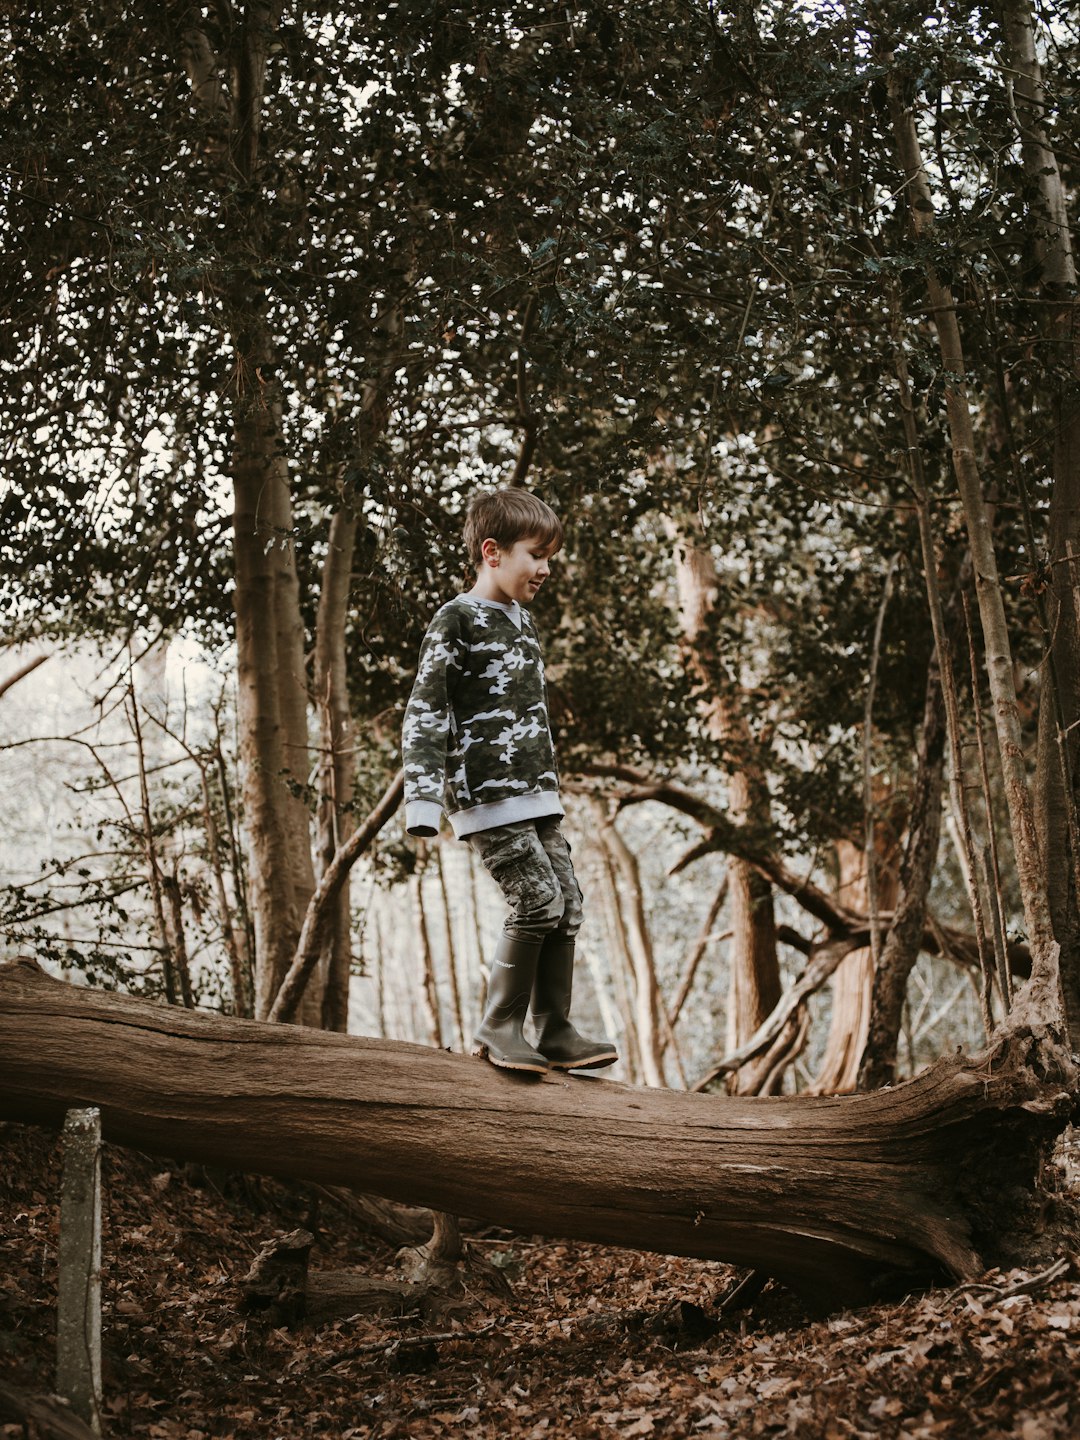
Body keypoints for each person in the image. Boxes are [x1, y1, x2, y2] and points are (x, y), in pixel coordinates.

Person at [401, 487, 617, 1075]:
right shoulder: (457, 619)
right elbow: (427, 709)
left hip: (536, 795)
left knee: (567, 903)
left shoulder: (523, 622)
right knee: (536, 900)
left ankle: (554, 1029)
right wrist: (421, 798)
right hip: (488, 797)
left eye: (551, 557)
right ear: (492, 553)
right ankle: (500, 1026)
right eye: (536, 555)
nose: (546, 569)